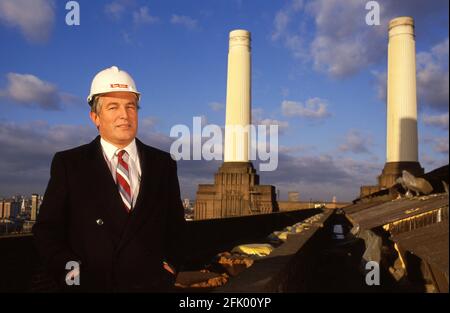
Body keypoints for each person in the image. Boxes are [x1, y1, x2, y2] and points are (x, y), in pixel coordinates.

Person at [33, 66, 186, 292]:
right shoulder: (70, 164)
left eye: (130, 107)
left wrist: (170, 266)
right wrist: (73, 274)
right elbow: (47, 231)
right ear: (95, 117)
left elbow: (176, 226)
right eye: (113, 107)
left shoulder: (163, 163)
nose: (124, 115)